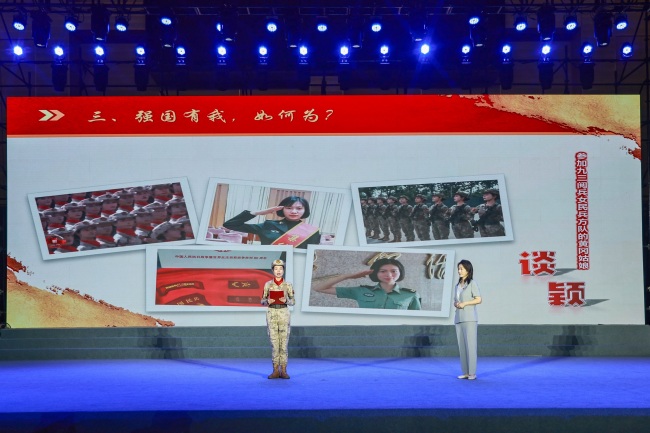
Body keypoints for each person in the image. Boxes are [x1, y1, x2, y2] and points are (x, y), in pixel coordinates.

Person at [313, 257, 421, 310]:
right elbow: (319, 288)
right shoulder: (361, 291)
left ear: (400, 272)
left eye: (394, 271)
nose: (389, 275)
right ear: (376, 273)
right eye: (383, 271)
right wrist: (347, 276)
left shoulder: (411, 295)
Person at [223, 196, 320, 249]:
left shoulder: (311, 231)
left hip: (295, 267)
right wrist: (257, 213)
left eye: (299, 208)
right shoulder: (268, 225)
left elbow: (311, 254)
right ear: (281, 209)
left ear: (305, 210)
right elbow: (230, 224)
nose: (294, 211)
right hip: (268, 266)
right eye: (289, 208)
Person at [261, 259, 294, 379]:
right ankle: (275, 370)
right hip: (272, 313)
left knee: (283, 344)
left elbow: (293, 301)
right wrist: (267, 301)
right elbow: (262, 300)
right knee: (274, 344)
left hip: (283, 312)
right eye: (276, 269)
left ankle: (283, 370)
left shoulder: (288, 285)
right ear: (272, 270)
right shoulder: (268, 285)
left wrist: (287, 300)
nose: (278, 271)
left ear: (283, 270)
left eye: (280, 268)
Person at [454, 259, 482, 380]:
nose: (459, 271)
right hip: (458, 318)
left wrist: (465, 303)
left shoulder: (472, 283)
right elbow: (456, 300)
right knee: (462, 347)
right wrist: (456, 303)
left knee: (471, 346)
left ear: (468, 270)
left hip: (470, 318)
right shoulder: (457, 285)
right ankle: (465, 372)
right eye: (458, 269)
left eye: (462, 269)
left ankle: (472, 373)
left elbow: (479, 299)